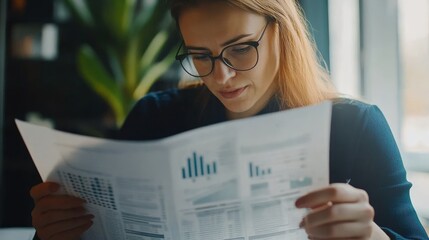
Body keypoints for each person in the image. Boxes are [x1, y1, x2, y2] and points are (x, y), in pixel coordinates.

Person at [29, 0, 428, 239]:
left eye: (239, 49)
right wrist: (53, 232)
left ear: (281, 31)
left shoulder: (356, 128)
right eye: (200, 55)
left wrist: (371, 235)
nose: (220, 76)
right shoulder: (154, 118)